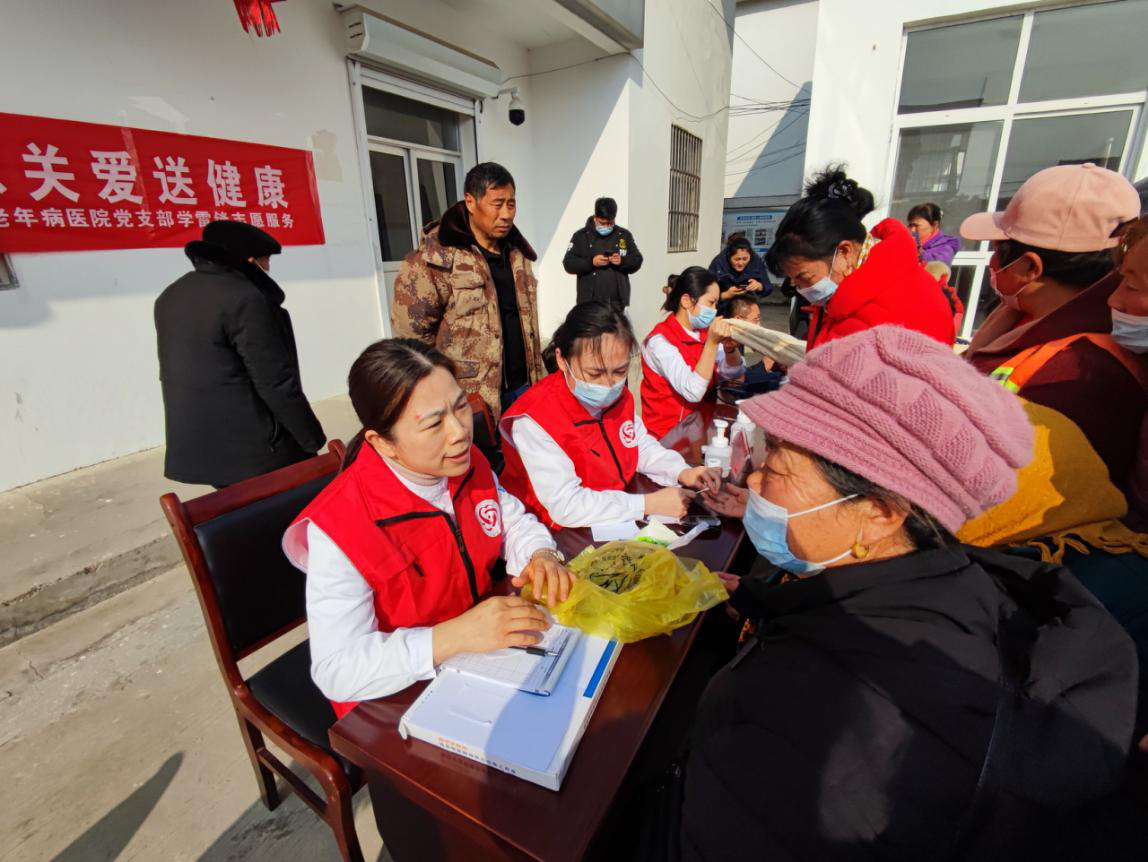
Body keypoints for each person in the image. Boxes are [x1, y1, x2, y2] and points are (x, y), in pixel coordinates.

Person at [681, 325, 1136, 860]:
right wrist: (761, 597)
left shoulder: (824, 729)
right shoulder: (964, 579)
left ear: (879, 513)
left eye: (776, 466)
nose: (754, 482)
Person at [282, 339, 573, 717]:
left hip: (480, 649)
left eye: (460, 407)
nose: (459, 432)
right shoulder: (340, 527)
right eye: (434, 423)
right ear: (382, 442)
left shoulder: (467, 463)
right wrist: (452, 637)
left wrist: (540, 553)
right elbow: (338, 669)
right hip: (397, 697)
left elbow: (511, 520)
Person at [961, 162, 1144, 488]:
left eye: (998, 250)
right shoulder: (1019, 315)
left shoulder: (1079, 374)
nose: (991, 262)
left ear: (1029, 268)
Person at [498, 301, 721, 529]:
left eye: (620, 371)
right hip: (553, 532)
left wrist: (682, 471)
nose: (608, 384)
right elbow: (567, 505)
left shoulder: (618, 396)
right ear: (562, 360)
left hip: (615, 513)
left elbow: (638, 445)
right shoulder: (534, 419)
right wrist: (646, 504)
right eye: (595, 373)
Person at [154, 220, 324, 488]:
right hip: (254, 450)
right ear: (248, 260)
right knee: (304, 501)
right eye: (265, 260)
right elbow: (275, 382)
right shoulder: (245, 299)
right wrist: (311, 438)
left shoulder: (171, 294)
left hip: (201, 445)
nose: (268, 269)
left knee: (237, 508)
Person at [391, 162, 544, 417]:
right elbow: (412, 338)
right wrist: (435, 390)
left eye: (511, 204)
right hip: (470, 395)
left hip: (523, 387)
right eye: (497, 204)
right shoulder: (436, 259)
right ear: (471, 202)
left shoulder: (517, 254)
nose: (506, 214)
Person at [765, 166, 956, 350]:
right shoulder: (850, 294)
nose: (803, 290)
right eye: (796, 282)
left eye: (805, 278)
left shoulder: (887, 314)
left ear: (844, 252)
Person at [640, 267, 743, 438]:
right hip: (669, 436)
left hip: (700, 429)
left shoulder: (703, 332)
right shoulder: (659, 342)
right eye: (710, 303)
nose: (714, 310)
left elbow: (732, 374)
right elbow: (693, 392)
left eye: (716, 304)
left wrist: (730, 349)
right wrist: (711, 343)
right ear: (686, 301)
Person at [562, 197, 643, 314]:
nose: (606, 227)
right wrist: (591, 262)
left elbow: (637, 260)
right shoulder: (581, 236)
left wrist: (622, 261)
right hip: (589, 304)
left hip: (616, 304)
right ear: (595, 217)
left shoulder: (624, 235)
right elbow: (568, 264)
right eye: (602, 223)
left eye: (610, 223)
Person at [708, 235, 772, 300]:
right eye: (737, 259)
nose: (741, 263)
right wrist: (725, 295)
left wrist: (760, 286)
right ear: (729, 257)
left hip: (748, 301)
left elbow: (768, 287)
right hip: (722, 302)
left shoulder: (756, 260)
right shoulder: (718, 263)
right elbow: (707, 294)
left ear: (750, 255)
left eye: (745, 259)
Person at [907, 201, 959, 265]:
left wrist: (920, 254)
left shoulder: (945, 247)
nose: (912, 230)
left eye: (916, 226)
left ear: (934, 225)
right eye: (910, 225)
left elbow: (939, 264)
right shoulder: (911, 241)